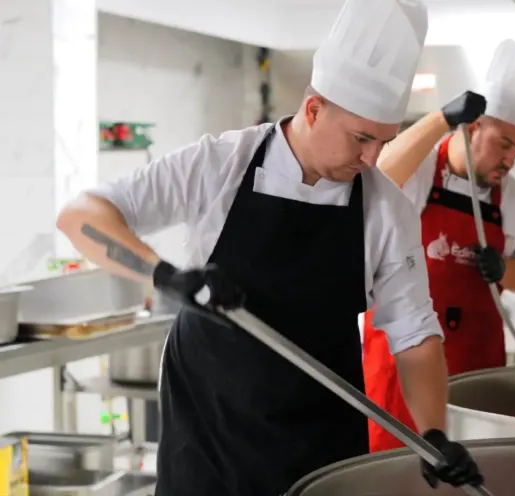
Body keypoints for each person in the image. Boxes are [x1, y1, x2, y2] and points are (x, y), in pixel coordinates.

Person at [55, 1, 488, 494]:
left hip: (319, 441)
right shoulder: (220, 164)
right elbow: (81, 214)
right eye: (362, 138)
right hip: (207, 437)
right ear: (314, 109)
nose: (372, 158)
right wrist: (166, 276)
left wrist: (434, 433)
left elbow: (415, 335)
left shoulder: (386, 208)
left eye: (383, 141)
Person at [363, 38, 515, 453]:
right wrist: (439, 119)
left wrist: (504, 269)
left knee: (472, 470)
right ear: (472, 128)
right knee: (390, 471)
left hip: (475, 375)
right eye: (504, 144)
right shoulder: (419, 169)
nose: (510, 161)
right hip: (401, 370)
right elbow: (378, 176)